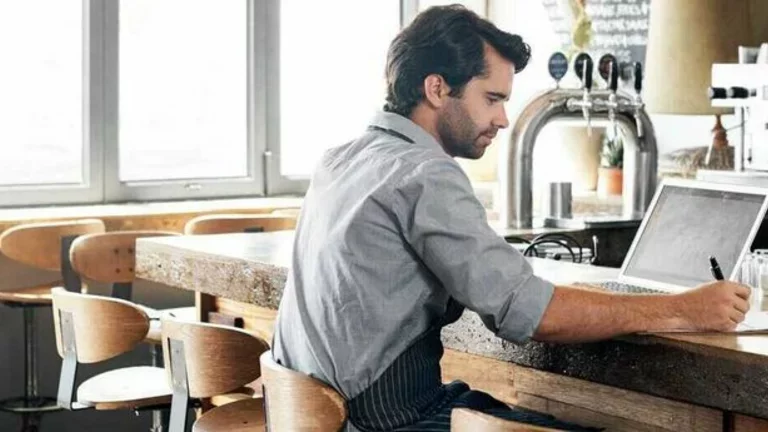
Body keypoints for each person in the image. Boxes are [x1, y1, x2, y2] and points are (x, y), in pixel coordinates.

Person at [273, 5, 751, 431]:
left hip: (313, 412)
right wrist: (686, 309)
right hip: (386, 420)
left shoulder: (341, 158)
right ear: (437, 89)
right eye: (493, 99)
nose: (503, 119)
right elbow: (530, 314)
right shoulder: (424, 174)